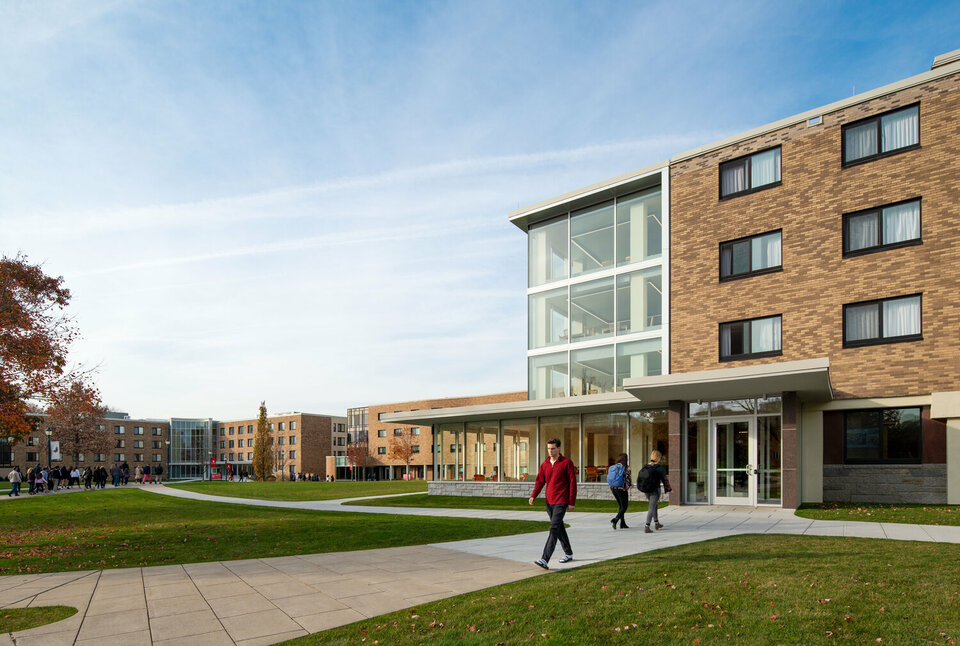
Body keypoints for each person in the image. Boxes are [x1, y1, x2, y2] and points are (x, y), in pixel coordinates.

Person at [528, 437, 577, 569]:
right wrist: (534, 495)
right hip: (549, 501)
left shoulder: (567, 463)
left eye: (553, 448)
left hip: (561, 500)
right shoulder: (544, 464)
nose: (550, 451)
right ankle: (568, 553)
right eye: (548, 448)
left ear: (558, 448)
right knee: (559, 527)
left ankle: (545, 559)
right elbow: (540, 481)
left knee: (553, 528)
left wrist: (571, 502)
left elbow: (573, 483)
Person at [637, 450, 671, 533]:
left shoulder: (645, 466)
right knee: (651, 507)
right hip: (655, 490)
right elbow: (665, 480)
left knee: (654, 505)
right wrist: (669, 489)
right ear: (658, 458)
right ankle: (647, 526)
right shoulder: (659, 468)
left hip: (646, 490)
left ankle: (656, 523)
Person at [607, 453, 631, 530]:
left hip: (613, 488)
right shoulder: (625, 468)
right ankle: (616, 520)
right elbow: (628, 479)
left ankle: (622, 523)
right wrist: (629, 485)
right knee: (624, 506)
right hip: (622, 489)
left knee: (621, 506)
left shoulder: (614, 467)